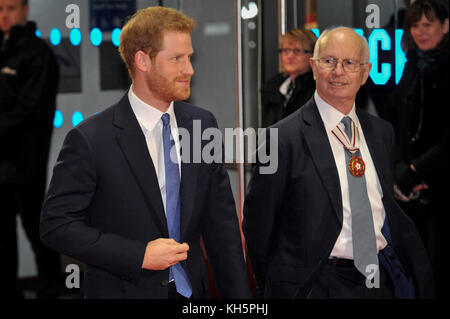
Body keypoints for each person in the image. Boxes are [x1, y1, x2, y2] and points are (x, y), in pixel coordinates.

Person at [40, 6, 251, 299]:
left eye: (189, 57)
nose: (189, 69)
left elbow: (222, 228)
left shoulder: (202, 125)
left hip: (192, 294)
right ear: (142, 60)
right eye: (177, 58)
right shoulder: (91, 139)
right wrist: (138, 254)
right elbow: (57, 225)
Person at [243, 27, 434, 299]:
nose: (338, 72)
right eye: (329, 61)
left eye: (349, 63)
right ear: (314, 67)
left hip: (379, 280)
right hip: (317, 284)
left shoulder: (381, 132)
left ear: (365, 72)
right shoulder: (281, 139)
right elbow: (258, 225)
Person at [385, 0, 448, 298]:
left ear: (446, 26)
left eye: (428, 25)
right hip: (411, 189)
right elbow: (398, 120)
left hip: (440, 186)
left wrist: (413, 170)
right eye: (415, 25)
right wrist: (401, 170)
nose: (420, 32)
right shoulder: (411, 65)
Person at [0, 0, 60, 298]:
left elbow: (29, 110)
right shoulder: (3, 50)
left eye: (10, 8)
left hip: (26, 164)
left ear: (24, 10)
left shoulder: (39, 55)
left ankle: (51, 289)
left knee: (38, 233)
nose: (4, 15)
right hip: (1, 164)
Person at [261, 28, 316, 127]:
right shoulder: (272, 87)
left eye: (297, 51)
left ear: (312, 55)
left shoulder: (318, 88)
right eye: (286, 50)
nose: (290, 56)